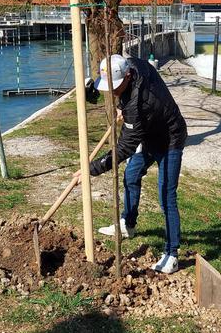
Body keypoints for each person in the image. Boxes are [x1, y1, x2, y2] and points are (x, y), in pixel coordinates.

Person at [77, 54, 187, 274]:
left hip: (170, 140)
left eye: (117, 87)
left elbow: (124, 149)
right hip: (150, 135)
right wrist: (122, 105)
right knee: (131, 175)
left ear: (128, 76)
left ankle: (172, 253)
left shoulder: (139, 106)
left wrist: (92, 168)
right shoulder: (135, 63)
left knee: (166, 197)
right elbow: (126, 87)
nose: (114, 91)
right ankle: (128, 225)